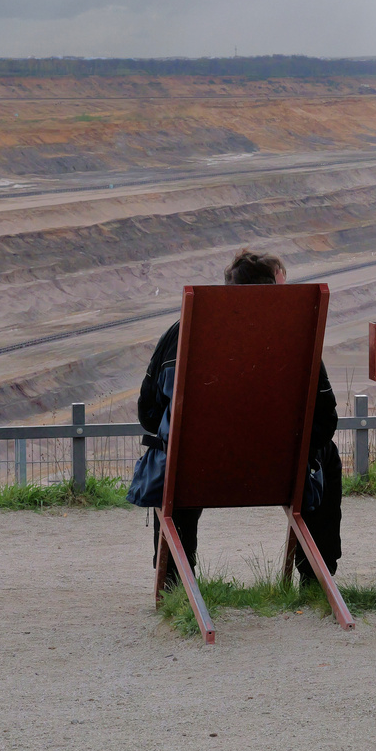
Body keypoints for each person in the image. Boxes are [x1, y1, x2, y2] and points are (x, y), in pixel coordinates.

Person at [138, 248, 342, 586]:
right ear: (271, 293)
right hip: (279, 471)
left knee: (173, 454)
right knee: (327, 456)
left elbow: (149, 413)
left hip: (196, 471)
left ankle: (174, 582)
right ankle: (316, 579)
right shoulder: (296, 336)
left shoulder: (181, 333)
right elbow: (325, 422)